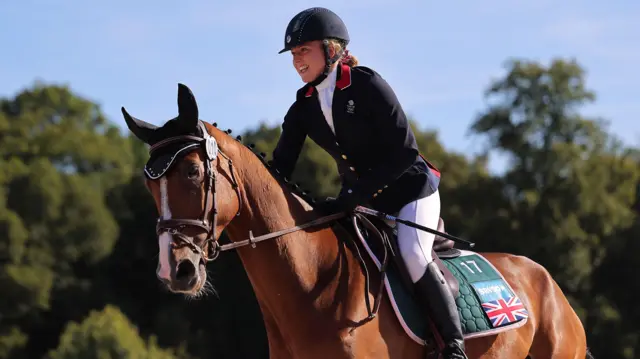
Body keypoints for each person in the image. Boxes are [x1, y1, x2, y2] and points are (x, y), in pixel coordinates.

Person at [270, 7, 468, 359]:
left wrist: (355, 196)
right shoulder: (303, 106)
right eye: (294, 54)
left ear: (331, 49)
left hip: (411, 190)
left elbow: (406, 154)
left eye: (304, 50)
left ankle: (453, 345)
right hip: (362, 201)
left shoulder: (366, 84)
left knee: (412, 253)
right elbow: (280, 169)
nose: (297, 61)